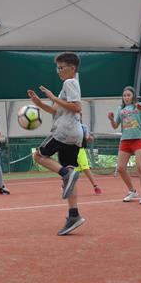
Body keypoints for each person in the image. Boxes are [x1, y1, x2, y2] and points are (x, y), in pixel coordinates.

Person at [28, 52, 84, 236]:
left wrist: (52, 97)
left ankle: (65, 173)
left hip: (64, 131)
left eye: (61, 68)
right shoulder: (68, 85)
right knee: (70, 174)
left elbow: (76, 107)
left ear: (72, 68)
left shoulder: (70, 83)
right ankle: (74, 215)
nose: (58, 71)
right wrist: (39, 102)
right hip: (74, 133)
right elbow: (55, 111)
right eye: (57, 68)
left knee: (39, 156)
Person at [107, 86, 141, 205]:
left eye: (128, 95)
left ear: (133, 96)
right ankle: (132, 191)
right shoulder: (120, 108)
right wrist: (111, 119)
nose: (126, 97)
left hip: (138, 139)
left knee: (139, 166)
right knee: (120, 168)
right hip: (125, 140)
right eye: (124, 95)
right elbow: (115, 126)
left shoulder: (139, 105)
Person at [76, 123, 102, 195]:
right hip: (70, 151)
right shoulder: (68, 126)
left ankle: (95, 186)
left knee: (86, 168)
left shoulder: (84, 127)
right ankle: (65, 185)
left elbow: (87, 138)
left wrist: (89, 138)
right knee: (73, 171)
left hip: (81, 150)